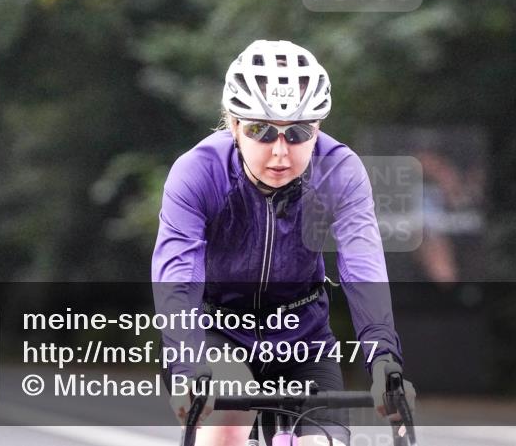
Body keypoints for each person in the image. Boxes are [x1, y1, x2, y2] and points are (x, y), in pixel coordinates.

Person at [152, 40, 415, 446]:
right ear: (234, 125)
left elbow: (363, 267)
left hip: (303, 339)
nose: (279, 152)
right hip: (219, 333)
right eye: (260, 130)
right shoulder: (198, 172)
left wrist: (383, 361)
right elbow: (179, 279)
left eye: (297, 133)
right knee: (227, 423)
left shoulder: (339, 172)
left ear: (318, 130)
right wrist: (186, 366)